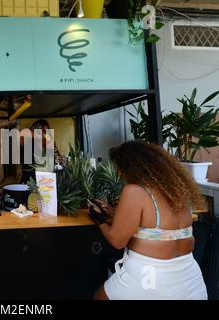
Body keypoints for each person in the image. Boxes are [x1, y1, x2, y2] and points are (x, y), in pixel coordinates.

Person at [89, 141, 208, 300]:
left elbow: (117, 241)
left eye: (120, 169)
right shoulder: (178, 192)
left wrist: (99, 219)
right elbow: (157, 227)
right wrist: (114, 212)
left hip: (149, 278)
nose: (119, 175)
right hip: (190, 281)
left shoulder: (134, 191)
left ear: (133, 168)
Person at [20, 119, 60, 184]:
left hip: (46, 182)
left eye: (46, 132)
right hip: (30, 183)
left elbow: (57, 160)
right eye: (42, 131)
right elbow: (28, 168)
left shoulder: (49, 145)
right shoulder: (29, 145)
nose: (44, 134)